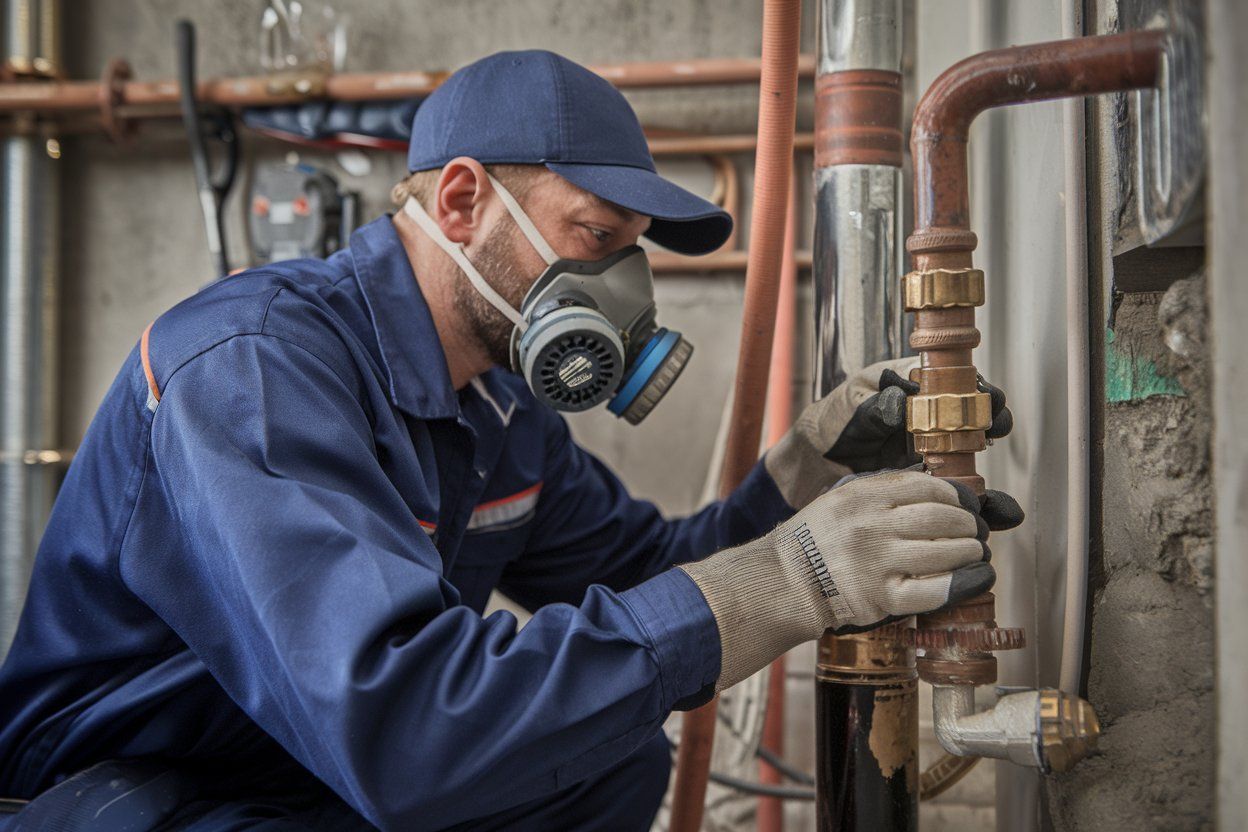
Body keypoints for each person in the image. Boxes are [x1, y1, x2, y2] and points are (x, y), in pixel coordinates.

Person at [0, 50, 1018, 831]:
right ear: (460, 200)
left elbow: (654, 575)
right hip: (136, 794)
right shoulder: (252, 370)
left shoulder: (496, 408)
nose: (624, 293)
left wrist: (808, 474)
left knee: (612, 755)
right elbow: (398, 721)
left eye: (632, 255)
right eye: (595, 238)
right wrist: (796, 580)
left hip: (302, 777)